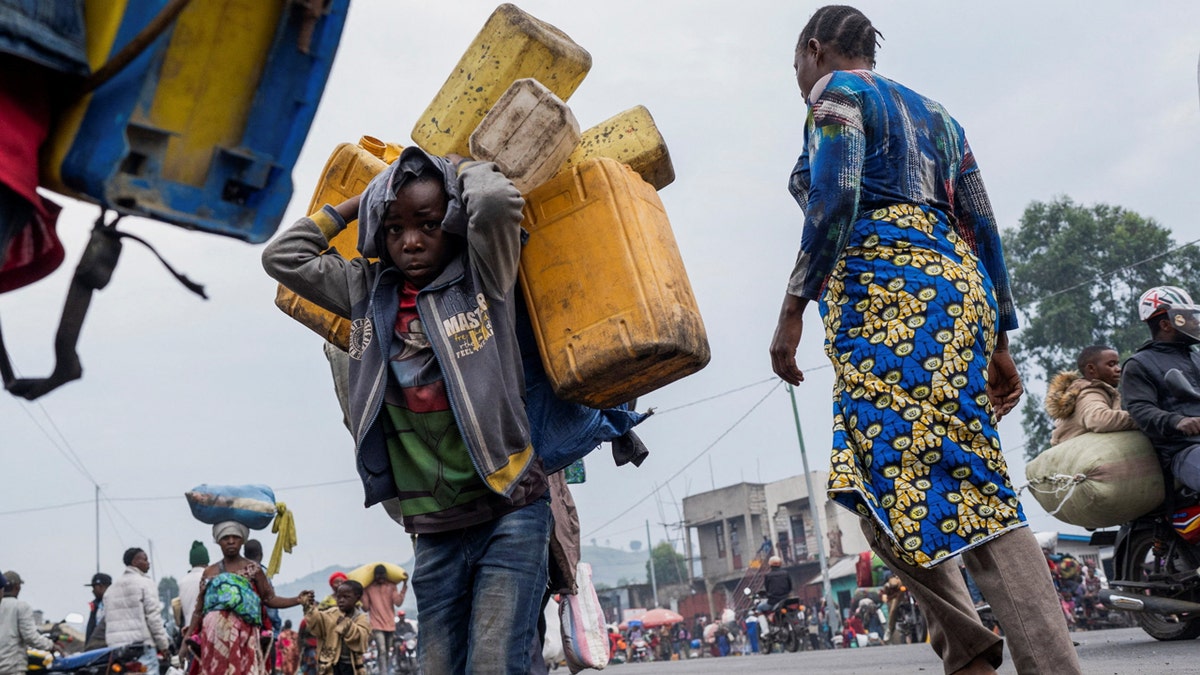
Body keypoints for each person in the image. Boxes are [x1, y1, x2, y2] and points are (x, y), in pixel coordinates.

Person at [768, 6, 1080, 674]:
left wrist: (793, 305)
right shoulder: (938, 116)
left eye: (796, 64)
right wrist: (997, 336)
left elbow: (834, 192)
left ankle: (1015, 657)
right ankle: (968, 645)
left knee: (940, 482)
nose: (798, 78)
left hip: (892, 299)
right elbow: (983, 223)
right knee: (871, 479)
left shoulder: (837, 95)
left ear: (815, 50)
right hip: (956, 293)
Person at [263, 146, 551, 674]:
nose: (411, 241)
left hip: (510, 510)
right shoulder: (366, 291)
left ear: (454, 225)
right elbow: (283, 257)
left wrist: (457, 168)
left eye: (428, 224)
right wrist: (360, 201)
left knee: (493, 665)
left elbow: (493, 203)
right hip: (433, 529)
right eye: (394, 229)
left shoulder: (485, 275)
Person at [184, 521, 313, 675]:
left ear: (242, 540)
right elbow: (199, 610)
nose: (231, 541)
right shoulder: (209, 572)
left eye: (235, 537)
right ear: (218, 541)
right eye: (225, 538)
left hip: (245, 636)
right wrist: (187, 639)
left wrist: (296, 600)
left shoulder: (253, 569)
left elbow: (269, 598)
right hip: (214, 638)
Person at [1121, 285, 1200, 492]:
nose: (1194, 322)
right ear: (1166, 324)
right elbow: (1140, 409)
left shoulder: (1195, 355)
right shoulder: (1139, 364)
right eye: (1187, 317)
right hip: (1184, 449)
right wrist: (1178, 420)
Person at [1045, 345, 1137, 445]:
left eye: (1117, 364)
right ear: (1091, 368)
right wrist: (1142, 418)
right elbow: (1100, 420)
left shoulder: (1090, 391)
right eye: (1111, 364)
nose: (1118, 369)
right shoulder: (1089, 393)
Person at [105, 548, 170, 673]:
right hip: (141, 647)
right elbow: (153, 618)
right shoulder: (145, 583)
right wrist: (164, 646)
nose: (148, 563)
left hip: (117, 650)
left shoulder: (111, 589)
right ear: (135, 562)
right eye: (145, 559)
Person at [302, 581, 370, 675]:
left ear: (357, 598)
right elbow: (316, 623)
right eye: (339, 597)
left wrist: (347, 626)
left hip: (351, 665)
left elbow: (362, 639)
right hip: (331, 664)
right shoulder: (330, 614)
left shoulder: (361, 618)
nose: (341, 600)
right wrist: (309, 607)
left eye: (346, 597)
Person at [0, 571, 57, 673]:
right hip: (12, 668)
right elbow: (30, 637)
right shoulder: (20, 607)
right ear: (17, 587)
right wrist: (51, 646)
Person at [360, 565, 407, 675]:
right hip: (376, 625)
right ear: (374, 576)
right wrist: (362, 593)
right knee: (382, 650)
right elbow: (365, 607)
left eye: (382, 574)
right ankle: (383, 672)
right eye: (378, 574)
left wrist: (404, 586)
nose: (380, 576)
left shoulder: (392, 586)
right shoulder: (369, 588)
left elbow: (398, 602)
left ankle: (385, 671)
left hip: (390, 625)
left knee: (387, 651)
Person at [179, 541, 209, 632]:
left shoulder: (182, 581)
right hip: (204, 631)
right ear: (207, 560)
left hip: (188, 631)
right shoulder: (208, 578)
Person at [83, 572, 111, 648]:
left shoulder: (113, 603)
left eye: (94, 587)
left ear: (101, 586)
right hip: (96, 645)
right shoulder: (96, 605)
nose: (93, 591)